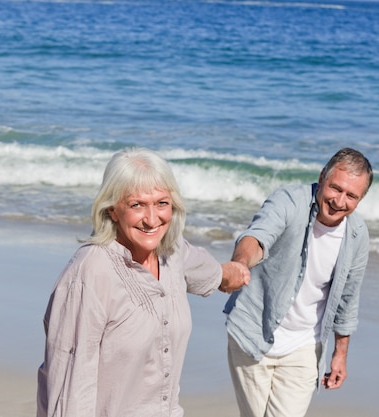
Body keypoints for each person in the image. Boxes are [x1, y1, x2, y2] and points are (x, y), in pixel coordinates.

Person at [37, 147, 247, 417]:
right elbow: (69, 390)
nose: (151, 219)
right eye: (137, 205)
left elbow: (217, 274)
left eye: (161, 203)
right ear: (112, 209)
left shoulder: (172, 252)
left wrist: (240, 267)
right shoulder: (90, 274)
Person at [223, 148, 373, 417]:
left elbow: (349, 297)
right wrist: (240, 264)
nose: (339, 201)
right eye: (335, 188)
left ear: (360, 199)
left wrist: (340, 354)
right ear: (321, 177)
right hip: (254, 332)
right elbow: (257, 237)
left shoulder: (357, 235)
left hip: (305, 346)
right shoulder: (289, 202)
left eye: (351, 195)